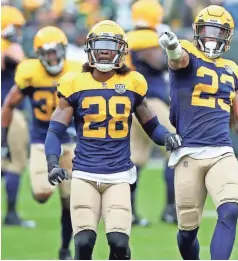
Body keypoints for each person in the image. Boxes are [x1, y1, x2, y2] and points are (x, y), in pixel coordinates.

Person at [44, 20, 181, 260]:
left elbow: (150, 124)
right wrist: (53, 163)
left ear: (122, 50)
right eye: (100, 45)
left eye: (110, 45)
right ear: (90, 49)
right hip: (85, 173)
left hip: (118, 175)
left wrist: (166, 137)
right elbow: (55, 130)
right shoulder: (73, 83)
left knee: (118, 243)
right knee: (84, 243)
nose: (105, 50)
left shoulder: (133, 82)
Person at [158, 5, 238, 260]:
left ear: (227, 36)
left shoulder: (232, 69)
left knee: (229, 209)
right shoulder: (187, 52)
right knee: (187, 231)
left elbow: (237, 120)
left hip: (221, 151)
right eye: (207, 31)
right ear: (197, 32)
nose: (211, 37)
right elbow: (178, 59)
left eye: (217, 32)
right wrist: (173, 46)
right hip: (188, 153)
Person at [1, 26, 80, 260]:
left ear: (64, 50)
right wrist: (3, 140)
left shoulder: (76, 73)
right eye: (47, 53)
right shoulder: (30, 73)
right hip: (41, 141)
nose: (52, 58)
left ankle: (65, 249)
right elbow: (9, 104)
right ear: (38, 54)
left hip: (71, 140)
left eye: (55, 52)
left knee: (72, 203)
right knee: (43, 193)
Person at [127, 0, 177, 226]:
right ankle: (170, 210)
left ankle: (129, 213)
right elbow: (159, 63)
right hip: (150, 102)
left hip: (134, 102)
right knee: (176, 150)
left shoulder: (128, 37)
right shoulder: (145, 39)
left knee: (136, 158)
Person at [0, 5, 32, 228]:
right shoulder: (9, 48)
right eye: (16, 27)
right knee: (15, 163)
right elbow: (25, 64)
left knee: (5, 162)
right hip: (8, 111)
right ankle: (11, 214)